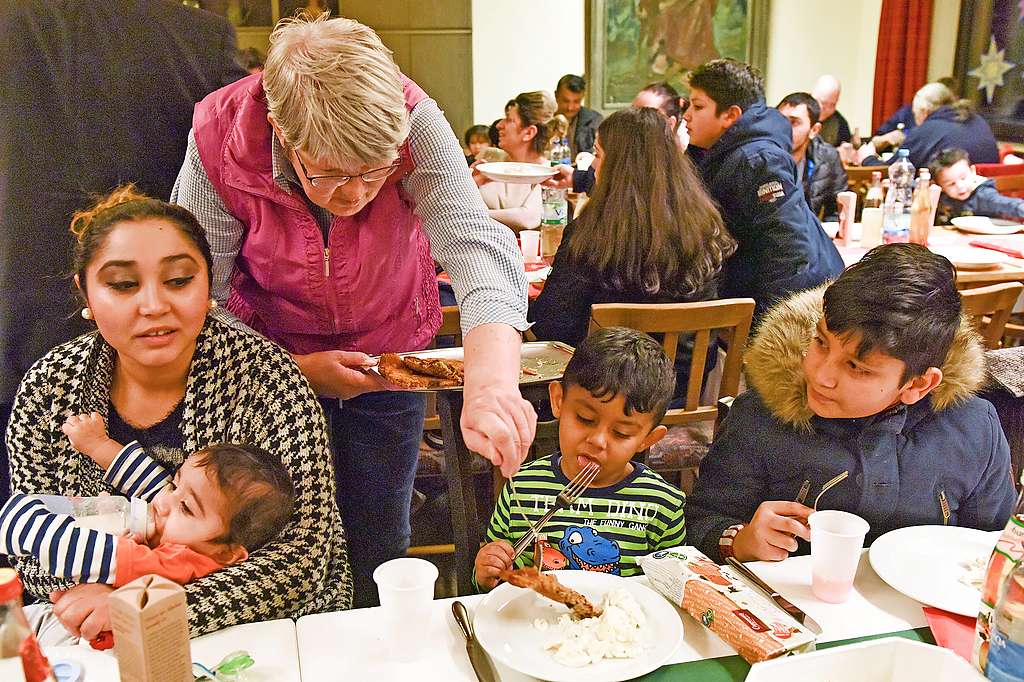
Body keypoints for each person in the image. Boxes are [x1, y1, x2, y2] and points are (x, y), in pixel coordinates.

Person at [171, 14, 534, 608]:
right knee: (277, 539)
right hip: (264, 359)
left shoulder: (414, 121)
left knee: (380, 531)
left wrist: (491, 383)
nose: (359, 194)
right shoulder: (220, 135)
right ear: (285, 138)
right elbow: (195, 290)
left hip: (387, 352)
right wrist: (293, 368)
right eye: (333, 176)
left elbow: (477, 249)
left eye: (377, 173)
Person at [5, 186, 349, 642]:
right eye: (124, 285)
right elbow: (32, 548)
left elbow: (302, 555)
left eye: (179, 280)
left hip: (264, 629)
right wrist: (100, 599)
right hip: (88, 628)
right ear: (85, 292)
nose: (153, 306)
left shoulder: (267, 378)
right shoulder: (49, 389)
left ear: (209, 284)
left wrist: (149, 606)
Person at [0, 0, 246, 509]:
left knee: (27, 542)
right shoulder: (196, 39)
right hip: (164, 338)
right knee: (187, 537)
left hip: (14, 325)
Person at [687, 244, 1016, 563]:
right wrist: (739, 540)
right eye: (820, 342)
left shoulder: (974, 428)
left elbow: (989, 547)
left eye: (857, 368)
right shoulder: (762, 416)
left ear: (919, 384)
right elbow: (696, 527)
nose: (820, 375)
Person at [530, 107, 734, 398]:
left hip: (604, 392)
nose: (594, 167)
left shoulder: (592, 235)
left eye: (598, 155)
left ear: (617, 166)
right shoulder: (704, 227)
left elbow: (551, 327)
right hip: (683, 388)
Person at [474, 327, 686, 590]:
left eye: (621, 433)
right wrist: (487, 572)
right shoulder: (522, 487)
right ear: (558, 400)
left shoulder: (663, 504)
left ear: (647, 439)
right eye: (585, 419)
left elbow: (672, 589)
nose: (598, 441)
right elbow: (492, 580)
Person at [1, 438, 293, 592]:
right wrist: (98, 445)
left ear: (227, 553)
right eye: (174, 484)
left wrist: (29, 523)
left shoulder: (177, 562)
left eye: (187, 508)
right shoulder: (181, 527)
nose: (165, 501)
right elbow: (152, 482)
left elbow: (95, 554)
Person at [683, 59, 844, 320]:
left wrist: (764, 329)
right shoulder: (717, 152)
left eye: (698, 106)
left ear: (730, 115)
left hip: (800, 303)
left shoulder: (758, 160)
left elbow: (788, 250)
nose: (687, 115)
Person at [552, 81, 691, 196]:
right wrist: (576, 178)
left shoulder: (680, 165)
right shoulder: (635, 149)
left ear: (669, 124)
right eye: (632, 110)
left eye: (644, 114)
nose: (631, 120)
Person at [471, 91, 561, 231]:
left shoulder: (548, 172)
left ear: (529, 133)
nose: (499, 125)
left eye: (509, 119)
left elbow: (527, 219)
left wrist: (472, 215)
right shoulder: (490, 161)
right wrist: (472, 182)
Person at [859, 82, 999, 168]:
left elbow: (892, 172)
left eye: (915, 114)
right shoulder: (977, 120)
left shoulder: (928, 130)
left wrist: (868, 159)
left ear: (924, 112)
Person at [776, 92, 848, 222]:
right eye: (780, 120)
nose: (783, 128)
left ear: (814, 130)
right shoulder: (760, 157)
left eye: (794, 122)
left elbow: (839, 211)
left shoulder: (828, 157)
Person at [929, 148, 1024, 225]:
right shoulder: (940, 197)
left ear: (973, 171)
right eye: (951, 184)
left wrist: (1020, 207)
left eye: (963, 178)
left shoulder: (983, 195)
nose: (960, 186)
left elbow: (1005, 204)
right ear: (940, 186)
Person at [555, 74, 603, 157]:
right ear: (556, 95)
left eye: (576, 102)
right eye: (565, 101)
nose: (570, 107)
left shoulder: (594, 120)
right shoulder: (545, 119)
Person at [811, 74, 852, 146]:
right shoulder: (797, 114)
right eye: (823, 103)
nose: (827, 109)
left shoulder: (840, 124)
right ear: (812, 96)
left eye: (832, 105)